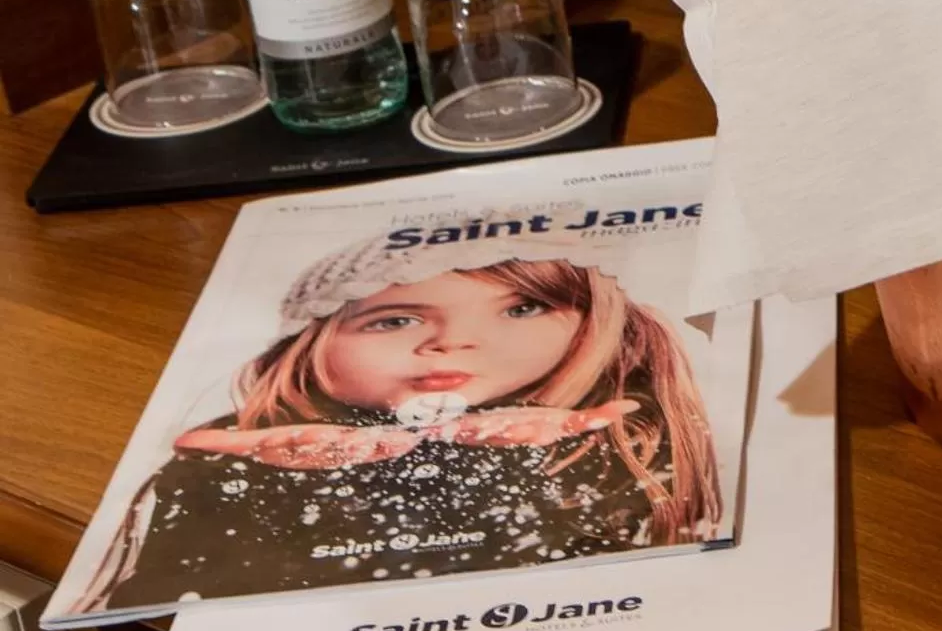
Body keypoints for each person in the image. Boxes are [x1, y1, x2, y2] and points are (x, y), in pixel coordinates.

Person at [84, 232, 721, 610]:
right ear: (308, 349)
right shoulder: (245, 455)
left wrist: (499, 461)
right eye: (395, 320)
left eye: (522, 308)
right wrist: (241, 477)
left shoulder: (632, 435)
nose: (452, 342)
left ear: (595, 321)